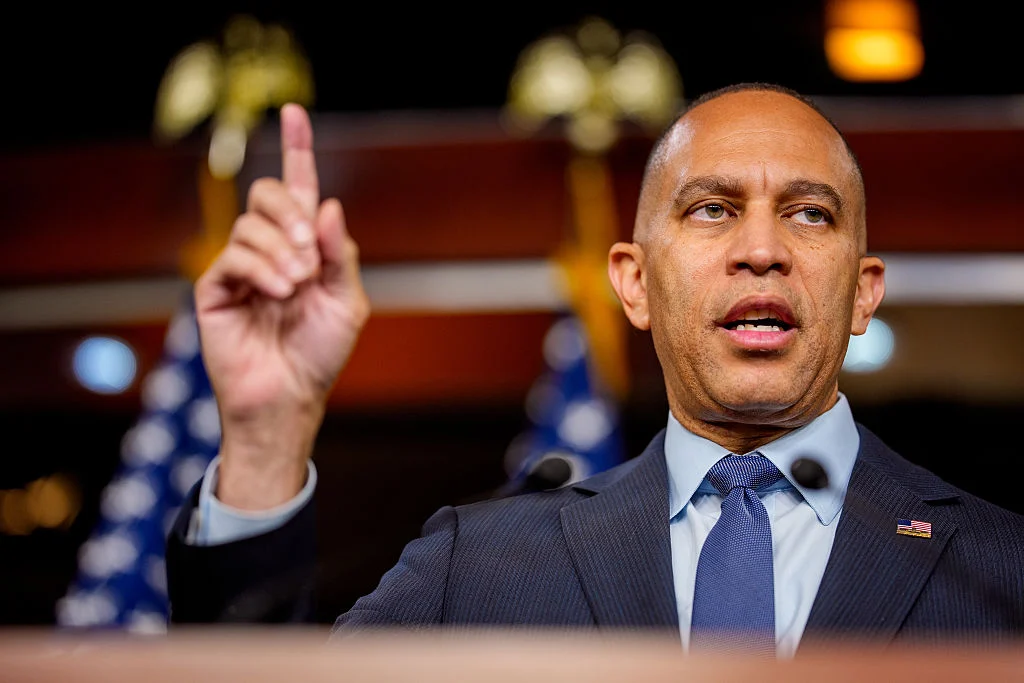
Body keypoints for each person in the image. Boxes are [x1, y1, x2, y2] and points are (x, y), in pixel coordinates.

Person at [166, 83, 1024, 655]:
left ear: (864, 292)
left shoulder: (1004, 567)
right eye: (712, 208)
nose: (761, 249)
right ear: (635, 282)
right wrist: (265, 437)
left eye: (809, 213)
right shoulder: (480, 565)